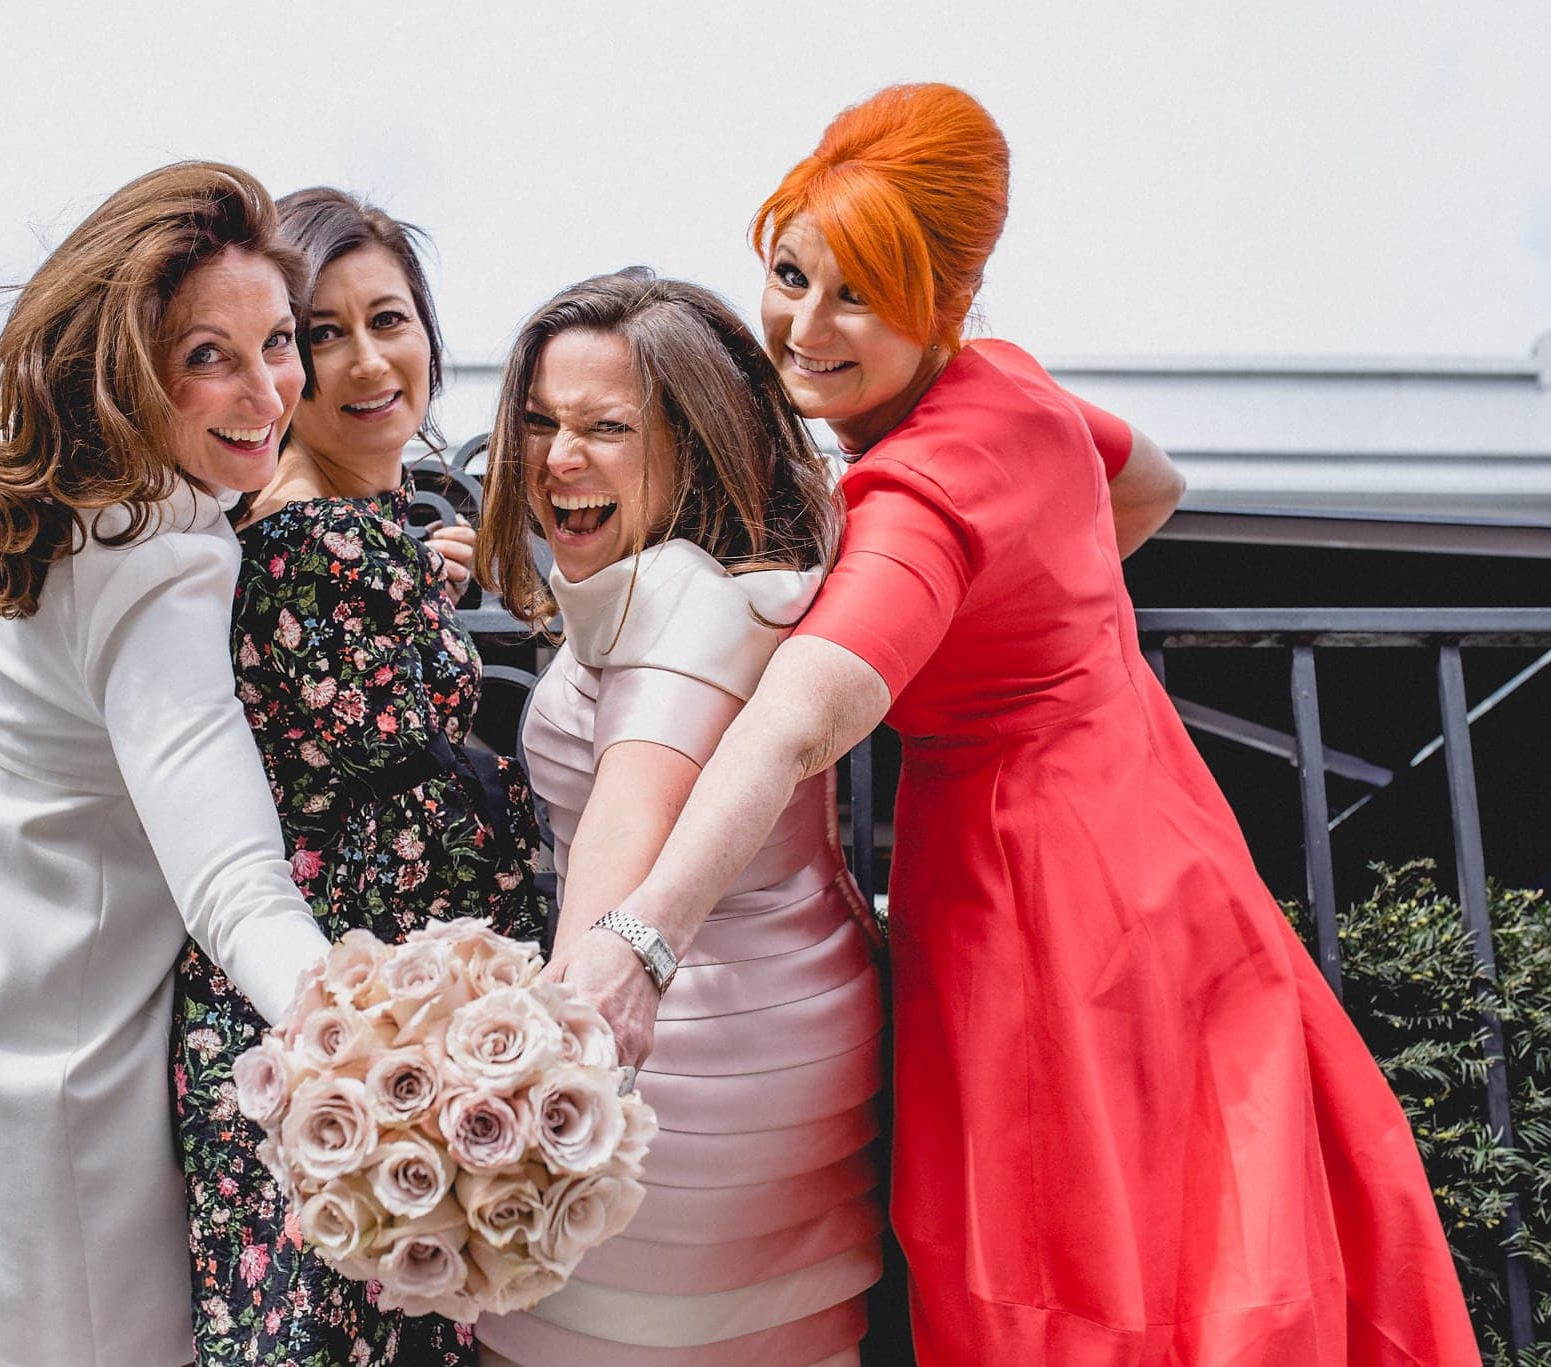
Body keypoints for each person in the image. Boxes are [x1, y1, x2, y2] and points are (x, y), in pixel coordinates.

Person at [576, 85, 1479, 1363]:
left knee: (1064, 1259)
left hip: (1036, 911)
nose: (805, 325)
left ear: (940, 306)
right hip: (1169, 850)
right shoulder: (1014, 388)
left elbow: (787, 731)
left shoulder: (917, 503)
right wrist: (1042, 636)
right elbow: (1150, 478)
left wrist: (636, 945)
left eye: (860, 296)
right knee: (1215, 1224)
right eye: (791, 273)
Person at [0, 162, 334, 1367]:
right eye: (209, 356)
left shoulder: (32, 498)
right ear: (123, 363)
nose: (268, 392)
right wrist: (383, 1034)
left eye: (276, 342)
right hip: (51, 1074)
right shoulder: (159, 557)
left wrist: (43, 469)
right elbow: (234, 884)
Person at [473, 269, 886, 1367]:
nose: (558, 458)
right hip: (788, 1026)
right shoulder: (745, 579)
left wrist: (500, 1097)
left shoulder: (672, 606)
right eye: (538, 422)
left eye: (605, 427)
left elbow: (612, 878)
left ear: (698, 444)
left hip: (687, 1075)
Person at [168, 187, 542, 1365]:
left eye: (388, 319)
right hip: (328, 1021)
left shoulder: (361, 527)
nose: (366, 359)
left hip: (372, 1020)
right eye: (319, 333)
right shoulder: (304, 541)